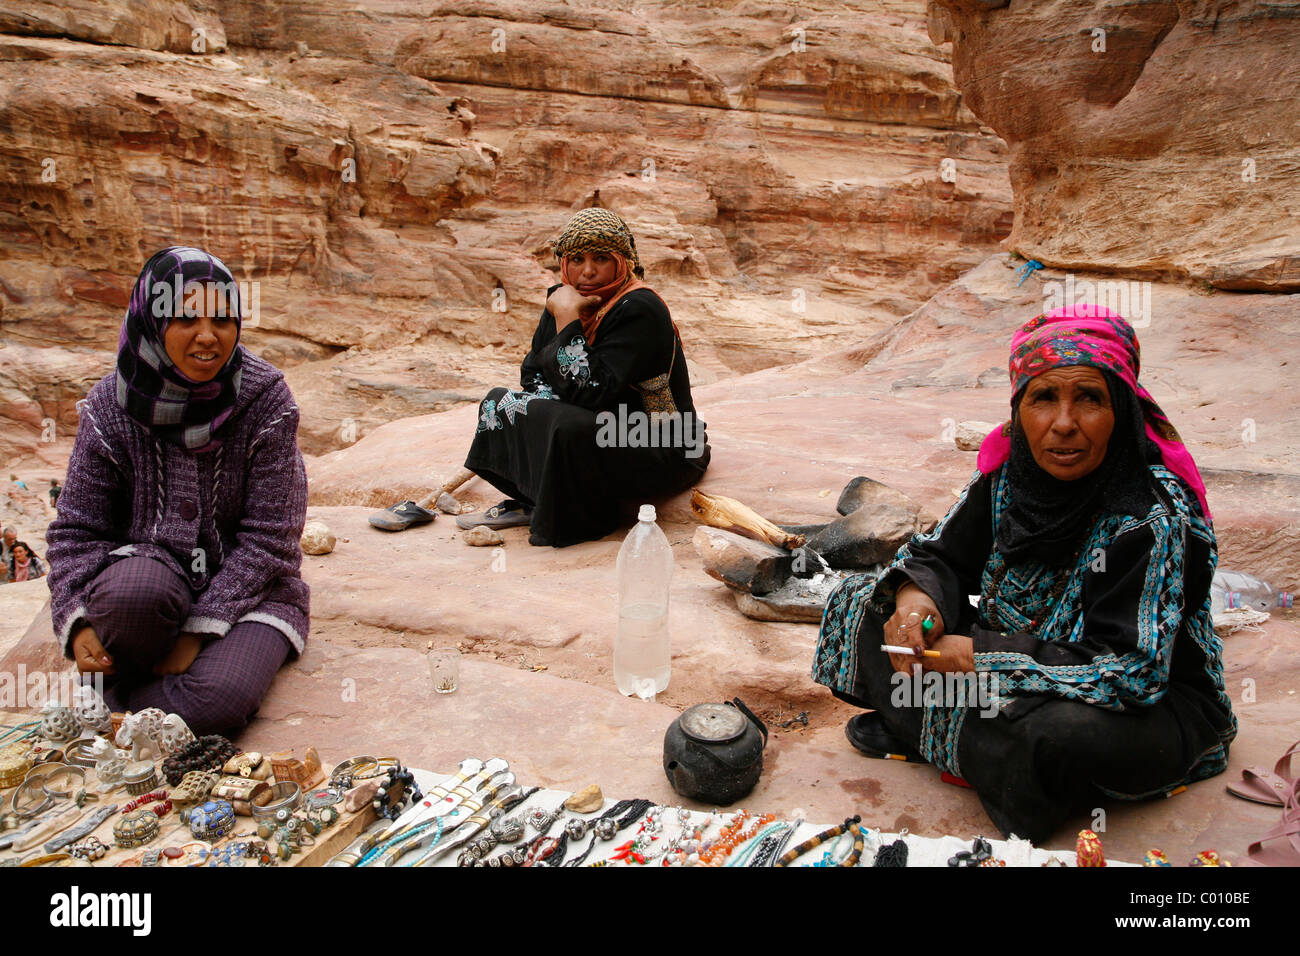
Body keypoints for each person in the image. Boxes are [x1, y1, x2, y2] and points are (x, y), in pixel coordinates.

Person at [812, 304, 1236, 844]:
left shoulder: (1150, 515)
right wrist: (916, 606)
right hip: (1009, 663)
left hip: (1137, 698)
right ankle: (971, 747)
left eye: (1089, 398)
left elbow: (1132, 672)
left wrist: (974, 656)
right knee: (861, 602)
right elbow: (938, 553)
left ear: (1121, 408)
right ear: (1020, 405)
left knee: (1051, 735)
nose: (1063, 424)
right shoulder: (1010, 472)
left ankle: (937, 734)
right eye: (1043, 398)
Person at [46, 246, 309, 736]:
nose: (207, 336)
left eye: (223, 319)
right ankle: (138, 687)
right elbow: (77, 530)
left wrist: (198, 631)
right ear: (151, 320)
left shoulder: (267, 400)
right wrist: (77, 620)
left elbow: (271, 541)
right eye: (185, 318)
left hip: (254, 594)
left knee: (217, 703)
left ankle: (115, 704)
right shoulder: (111, 404)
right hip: (149, 575)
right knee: (133, 596)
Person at [375, 207, 710, 546]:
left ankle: (578, 516)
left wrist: (567, 319)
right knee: (499, 403)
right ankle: (536, 498)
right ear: (564, 262)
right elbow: (533, 372)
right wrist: (553, 397)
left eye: (601, 259)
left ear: (622, 261)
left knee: (566, 427)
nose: (588, 271)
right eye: (577, 259)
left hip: (660, 443)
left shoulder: (639, 308)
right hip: (602, 428)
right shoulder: (564, 296)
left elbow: (592, 391)